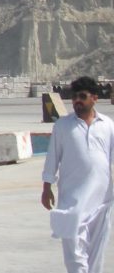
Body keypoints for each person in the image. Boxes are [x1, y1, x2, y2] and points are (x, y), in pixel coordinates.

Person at [42, 75, 113, 272]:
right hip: (72, 201)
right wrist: (46, 187)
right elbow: (52, 158)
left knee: (96, 257)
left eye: (82, 96)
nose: (77, 101)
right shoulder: (63, 126)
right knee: (74, 256)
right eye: (74, 97)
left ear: (94, 98)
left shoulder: (107, 125)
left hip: (102, 202)